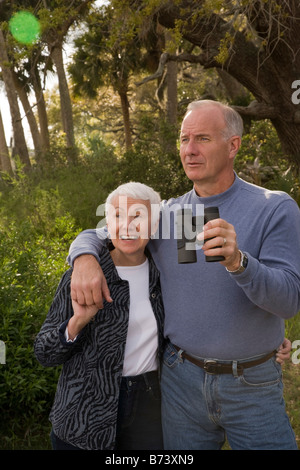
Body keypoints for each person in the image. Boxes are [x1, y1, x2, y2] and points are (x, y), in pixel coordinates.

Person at [67, 100, 300, 450]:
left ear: (233, 145)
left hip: (252, 384)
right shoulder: (169, 213)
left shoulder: (273, 207)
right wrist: (84, 258)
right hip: (180, 383)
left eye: (202, 138)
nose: (189, 150)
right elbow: (101, 233)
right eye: (183, 139)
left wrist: (239, 262)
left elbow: (289, 301)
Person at [34, 182, 165, 451]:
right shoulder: (82, 275)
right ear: (108, 223)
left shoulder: (163, 274)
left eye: (138, 216)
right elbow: (44, 352)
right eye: (117, 216)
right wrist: (77, 322)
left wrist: (266, 342)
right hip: (84, 412)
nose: (126, 225)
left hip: (149, 408)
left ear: (154, 225)